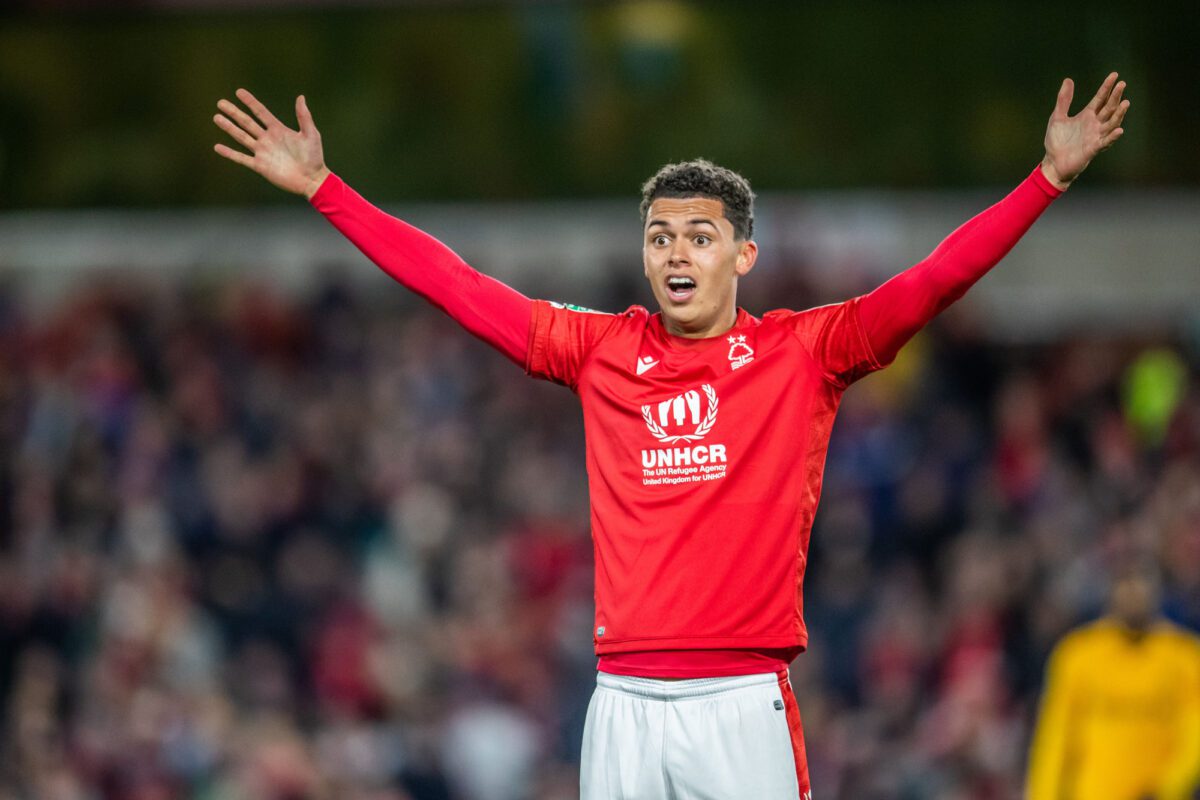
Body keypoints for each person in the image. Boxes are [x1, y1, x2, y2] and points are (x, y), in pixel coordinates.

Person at [213, 73, 1129, 799]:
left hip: (740, 701)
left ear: (744, 256)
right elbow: (458, 286)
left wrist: (1044, 180)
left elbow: (931, 281)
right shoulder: (599, 348)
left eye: (700, 235)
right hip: (621, 704)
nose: (676, 253)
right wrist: (327, 190)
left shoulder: (805, 353)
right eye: (660, 237)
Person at [1026, 564, 1200, 800]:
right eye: (1127, 586)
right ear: (1112, 591)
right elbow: (1056, 736)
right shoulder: (1078, 654)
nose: (1134, 595)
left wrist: (1168, 787)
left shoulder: (1184, 656)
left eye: (1141, 585)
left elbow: (1193, 734)